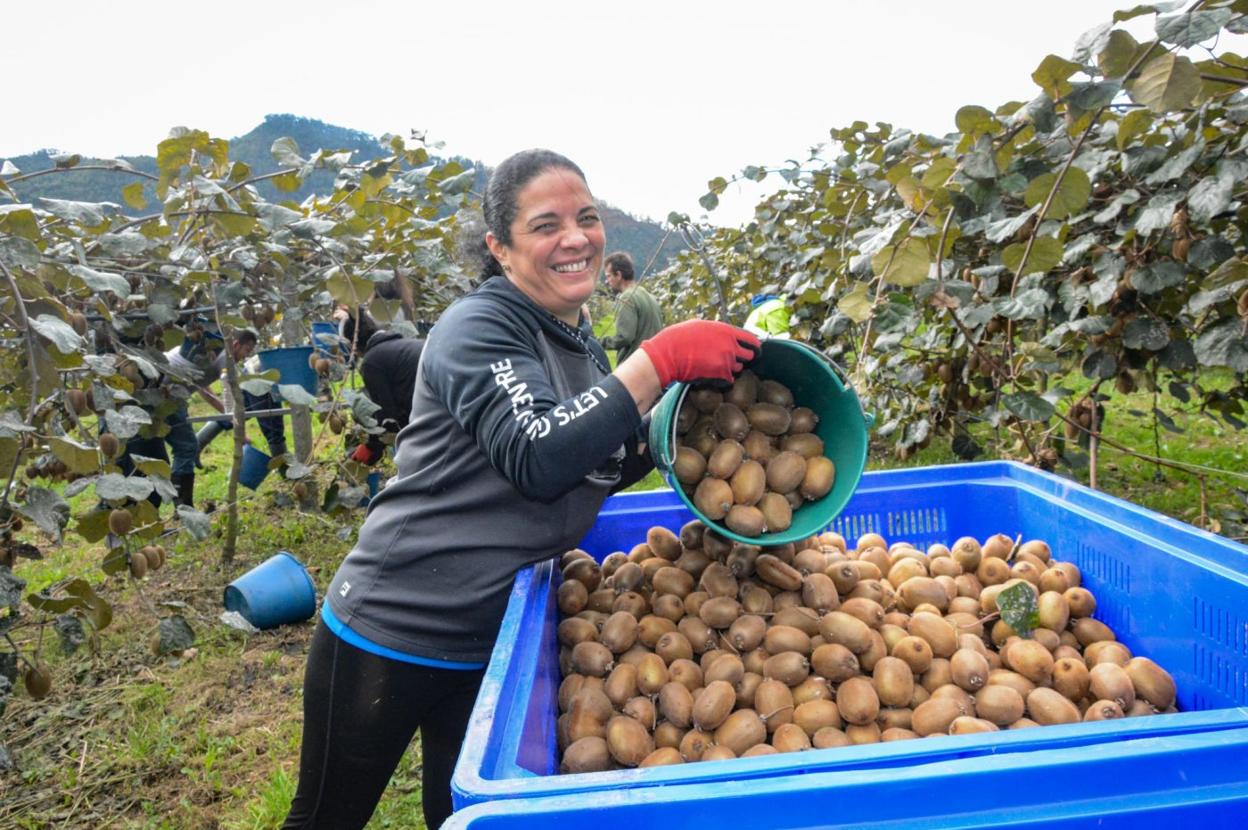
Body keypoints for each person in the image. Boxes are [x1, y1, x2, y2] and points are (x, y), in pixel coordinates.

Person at [281, 149, 760, 830]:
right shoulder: (479, 327)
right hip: (394, 630)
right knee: (326, 818)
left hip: (497, 641)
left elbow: (592, 459)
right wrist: (659, 360)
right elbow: (537, 454)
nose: (575, 237)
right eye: (546, 225)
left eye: (587, 218)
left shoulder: (575, 337)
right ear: (500, 248)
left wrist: (676, 422)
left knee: (456, 816)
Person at [340, 308, 427, 464]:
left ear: (352, 344)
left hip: (426, 415)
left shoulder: (372, 361)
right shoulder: (400, 346)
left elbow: (387, 415)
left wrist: (372, 447)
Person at [600, 251, 664, 364]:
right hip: (653, 363)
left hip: (635, 366)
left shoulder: (627, 297)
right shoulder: (648, 295)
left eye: (609, 276)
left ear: (618, 275)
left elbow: (625, 337)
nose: (607, 281)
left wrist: (600, 343)